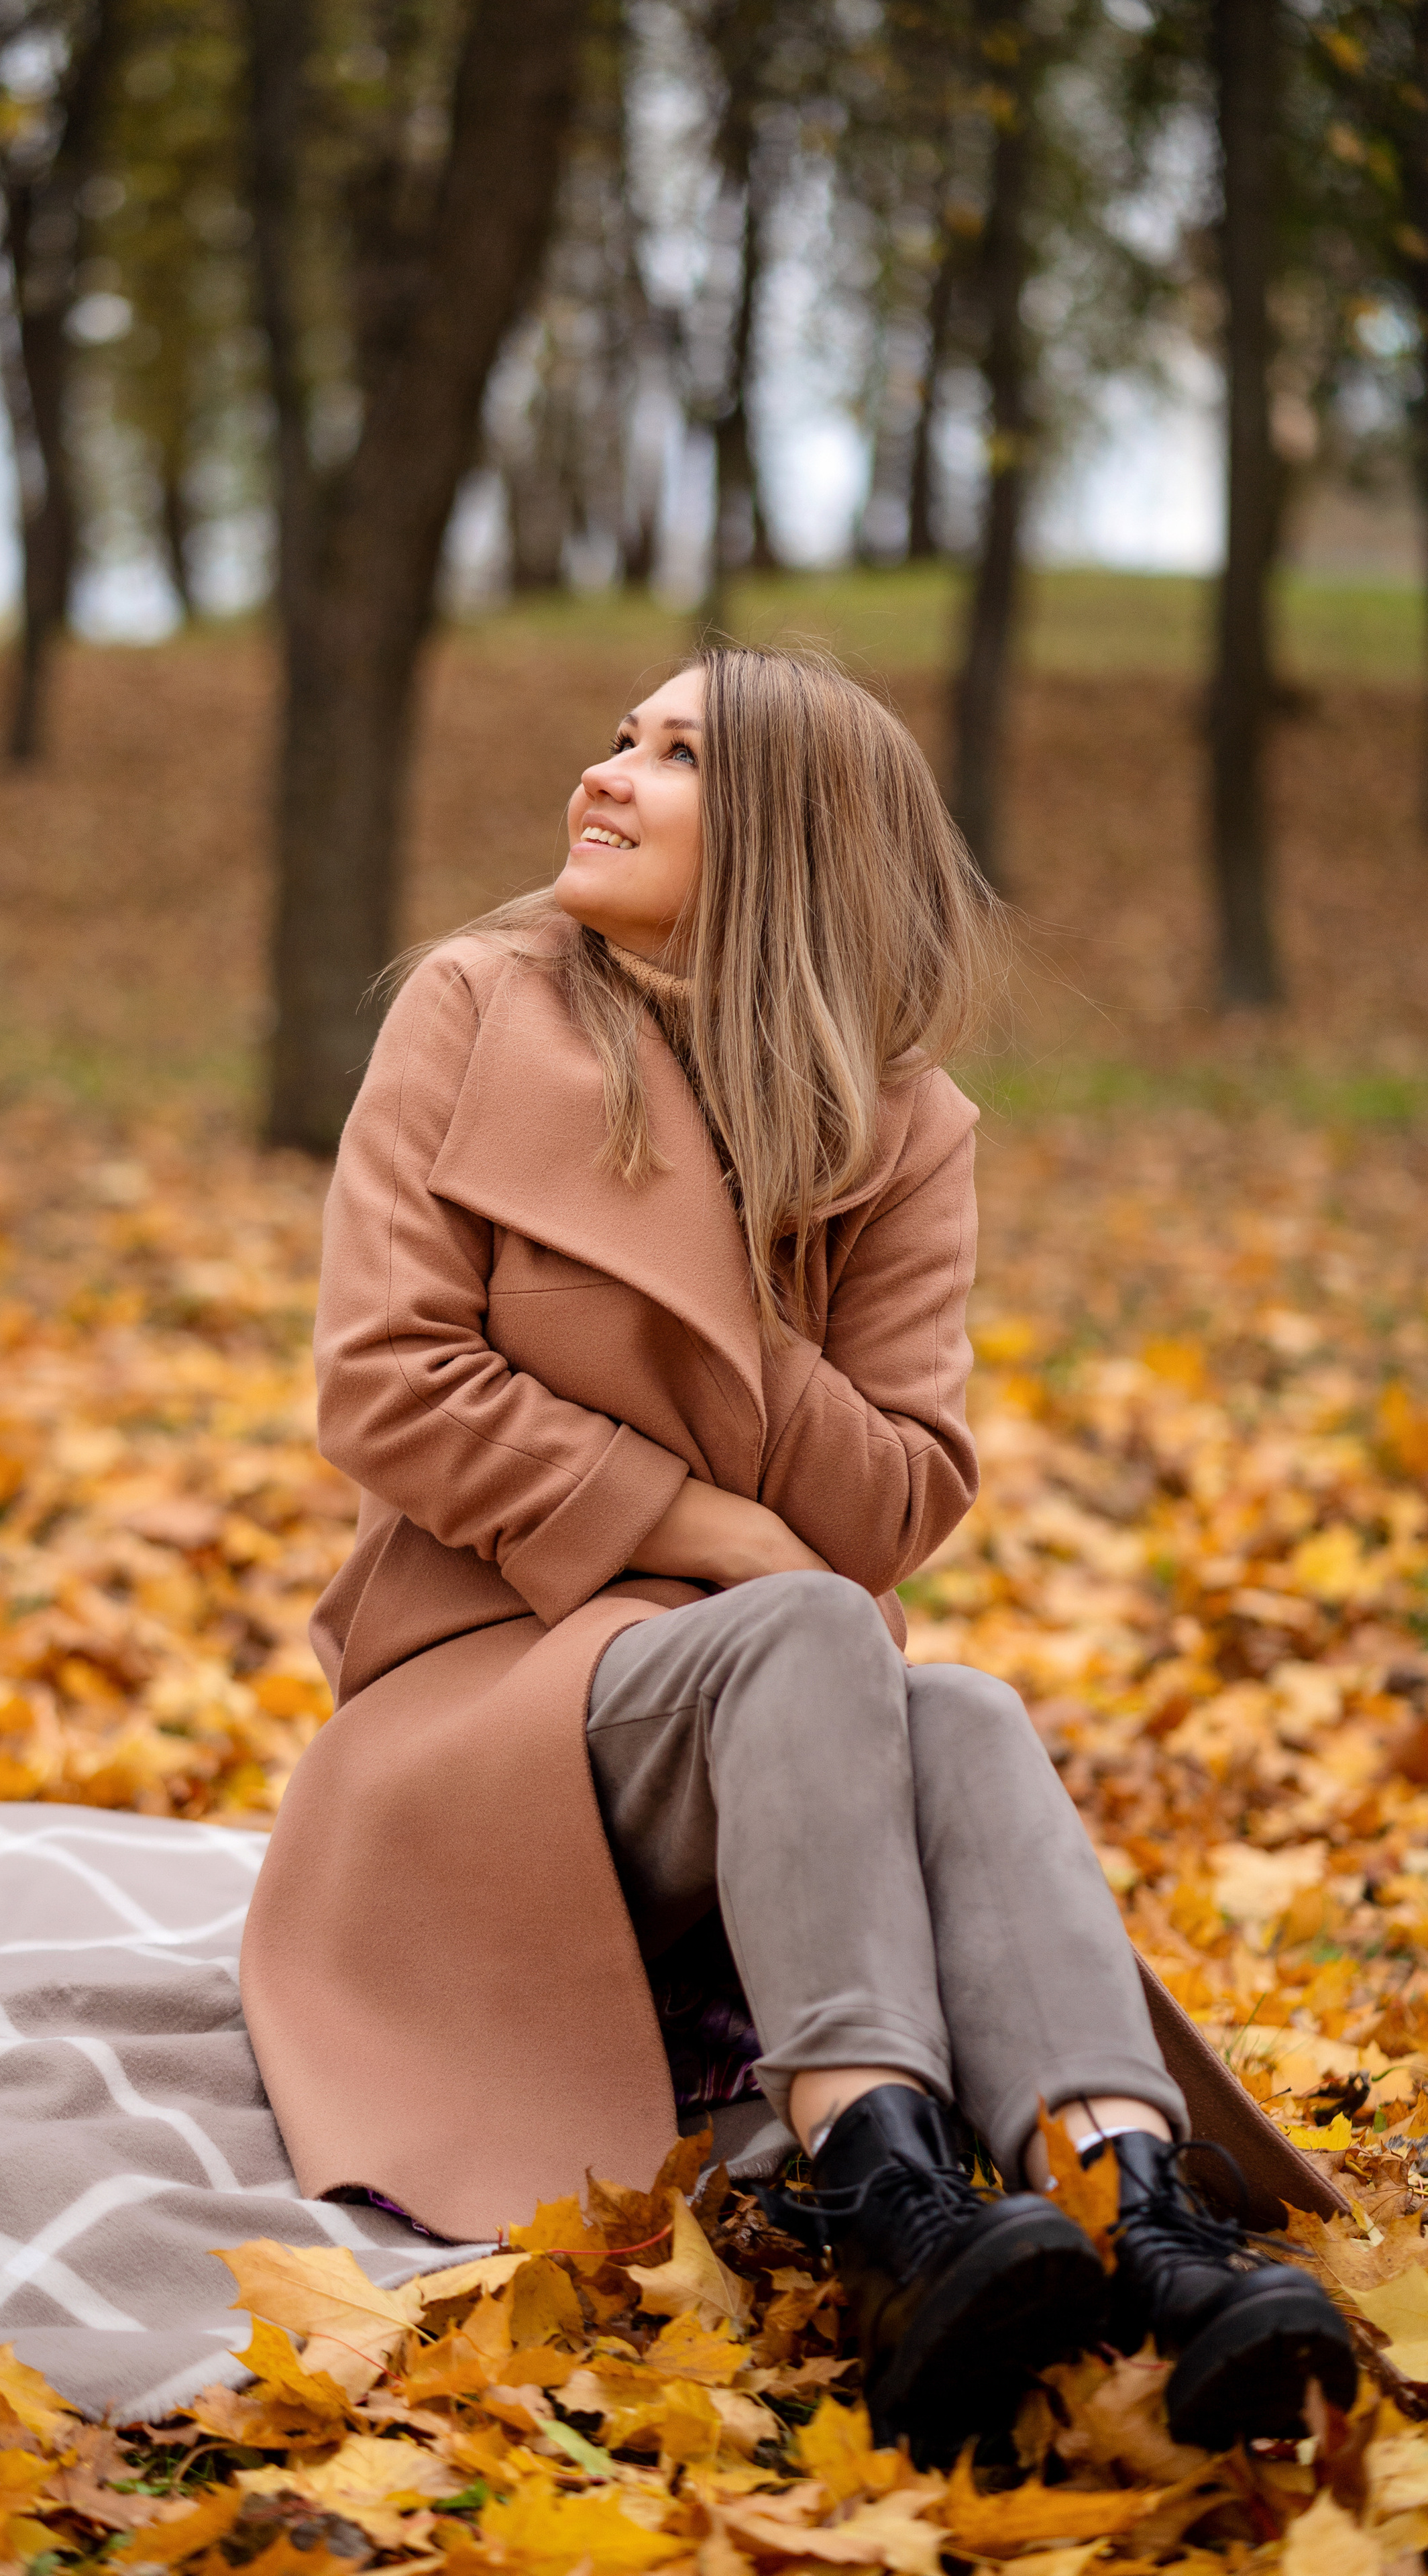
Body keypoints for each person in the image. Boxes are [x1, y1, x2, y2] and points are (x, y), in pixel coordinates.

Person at [239, 646, 1353, 2463]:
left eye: (676, 758)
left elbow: (904, 1498)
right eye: (619, 736)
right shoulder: (476, 1005)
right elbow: (387, 1387)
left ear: (791, 847)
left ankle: (1135, 2215)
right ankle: (888, 2200)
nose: (605, 774)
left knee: (969, 1706)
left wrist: (747, 1264)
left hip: (775, 1703)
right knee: (817, 1627)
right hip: (484, 1709)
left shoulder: (900, 1132)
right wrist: (710, 1524)